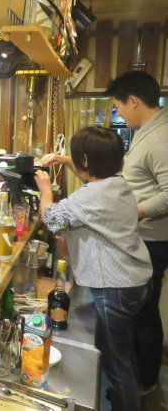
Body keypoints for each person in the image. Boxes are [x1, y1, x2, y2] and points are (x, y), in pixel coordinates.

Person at [35, 126, 152, 411]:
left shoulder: (92, 195)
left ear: (86, 160)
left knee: (117, 365)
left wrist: (45, 190)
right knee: (121, 355)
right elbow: (93, 182)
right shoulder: (118, 183)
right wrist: (66, 161)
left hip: (116, 288)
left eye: (77, 157)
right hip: (134, 281)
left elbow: (52, 219)